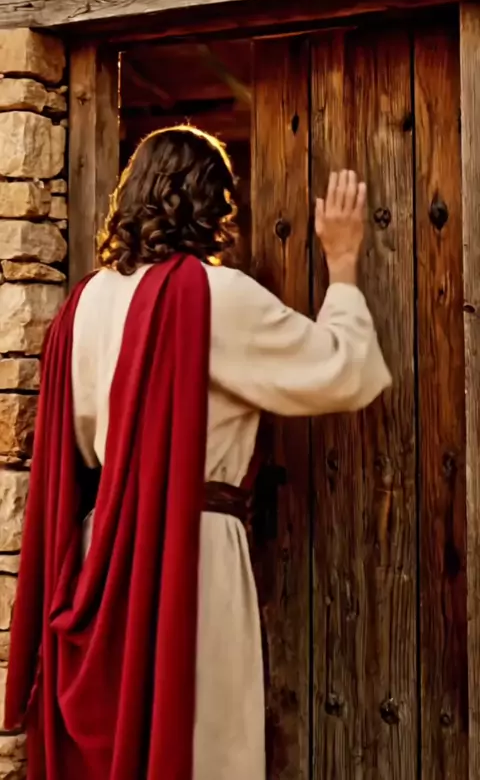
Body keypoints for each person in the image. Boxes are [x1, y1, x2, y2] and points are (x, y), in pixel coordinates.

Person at [5, 126, 391, 780]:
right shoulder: (213, 296)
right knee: (205, 749)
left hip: (101, 554)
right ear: (214, 206)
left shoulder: (81, 306)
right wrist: (345, 264)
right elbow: (343, 369)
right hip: (189, 550)